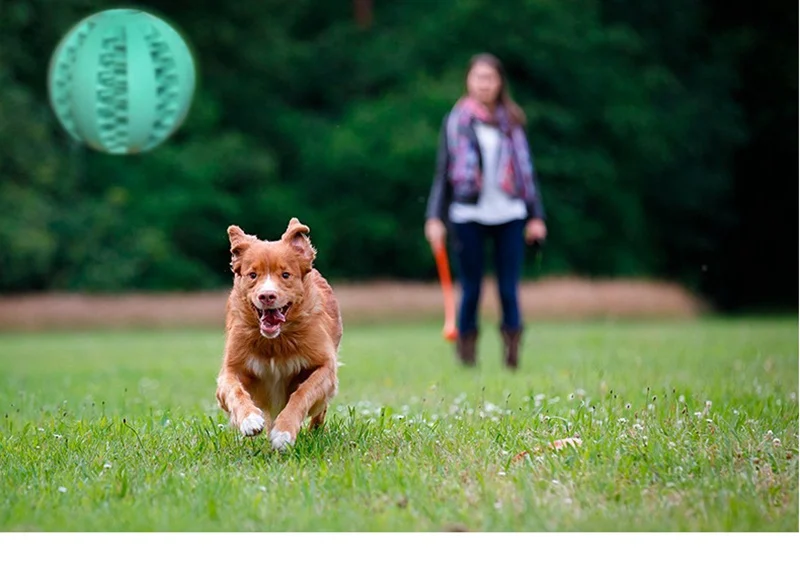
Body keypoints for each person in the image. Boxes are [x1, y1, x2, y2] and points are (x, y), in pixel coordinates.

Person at [424, 53, 547, 369]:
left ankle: (512, 354)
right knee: (472, 288)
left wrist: (536, 216)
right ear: (468, 80)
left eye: (490, 78)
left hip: (510, 212)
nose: (484, 84)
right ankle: (466, 356)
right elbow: (443, 173)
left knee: (508, 288)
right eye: (478, 77)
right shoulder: (456, 122)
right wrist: (434, 217)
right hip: (468, 214)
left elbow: (527, 171)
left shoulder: (512, 121)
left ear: (500, 83)